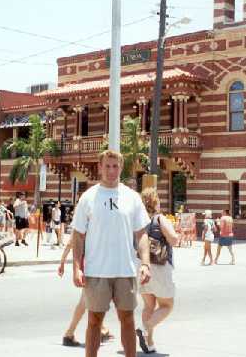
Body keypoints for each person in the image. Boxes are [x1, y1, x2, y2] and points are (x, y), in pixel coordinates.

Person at [71, 149, 151, 357]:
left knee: (127, 319)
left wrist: (145, 263)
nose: (111, 170)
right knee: (94, 320)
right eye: (107, 166)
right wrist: (77, 268)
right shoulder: (88, 198)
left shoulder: (132, 197)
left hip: (125, 269)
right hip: (96, 271)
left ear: (121, 168)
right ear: (100, 167)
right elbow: (78, 235)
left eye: (115, 166)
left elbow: (141, 233)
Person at [136, 187, 178, 354]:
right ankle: (144, 328)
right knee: (167, 305)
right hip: (159, 266)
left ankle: (149, 342)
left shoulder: (138, 221)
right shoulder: (159, 219)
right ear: (155, 201)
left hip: (141, 265)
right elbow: (173, 239)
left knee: (148, 306)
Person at [58, 232, 112, 347]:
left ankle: (100, 330)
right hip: (92, 268)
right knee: (90, 302)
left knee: (86, 302)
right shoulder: (91, 224)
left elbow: (69, 244)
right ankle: (70, 333)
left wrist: (62, 262)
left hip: (90, 267)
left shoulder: (83, 223)